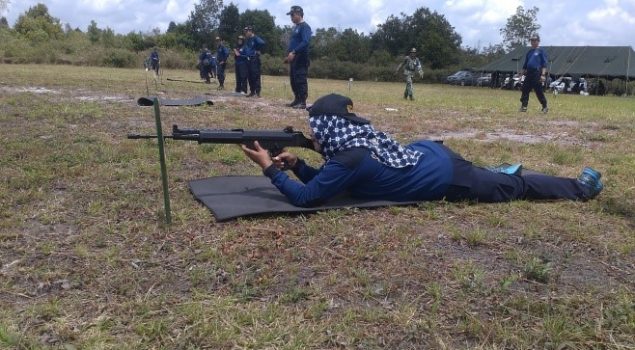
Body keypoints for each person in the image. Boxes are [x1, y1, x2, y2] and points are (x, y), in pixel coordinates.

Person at [241, 93, 603, 208]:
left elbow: (308, 199)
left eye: (315, 129)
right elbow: (331, 180)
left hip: (449, 177)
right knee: (489, 177)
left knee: (518, 188)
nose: (313, 134)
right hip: (431, 156)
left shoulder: (349, 157)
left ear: (329, 129)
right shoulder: (354, 148)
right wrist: (299, 164)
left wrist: (270, 169)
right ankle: (494, 174)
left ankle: (580, 188)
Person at [285, 5, 312, 109]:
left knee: (300, 79)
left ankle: (302, 102)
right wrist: (289, 55)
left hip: (301, 58)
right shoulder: (296, 27)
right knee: (293, 80)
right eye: (290, 15)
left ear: (299, 14)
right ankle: (297, 99)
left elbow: (305, 42)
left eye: (292, 15)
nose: (291, 17)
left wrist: (294, 52)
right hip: (294, 58)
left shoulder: (305, 26)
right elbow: (294, 43)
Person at [519, 34, 548, 113]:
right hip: (529, 73)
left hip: (537, 72)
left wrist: (543, 75)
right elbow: (525, 65)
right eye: (531, 40)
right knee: (525, 89)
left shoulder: (541, 51)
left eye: (535, 40)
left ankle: (544, 106)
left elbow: (544, 64)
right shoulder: (529, 52)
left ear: (538, 41)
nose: (533, 42)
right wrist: (521, 74)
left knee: (538, 90)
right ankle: (524, 106)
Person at [242, 25, 265, 97]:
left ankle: (257, 92)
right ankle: (252, 91)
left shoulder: (255, 38)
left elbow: (262, 43)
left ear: (250, 31)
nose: (245, 33)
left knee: (255, 75)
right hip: (248, 59)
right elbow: (246, 49)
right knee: (249, 76)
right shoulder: (247, 40)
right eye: (245, 32)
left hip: (254, 59)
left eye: (246, 32)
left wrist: (258, 50)